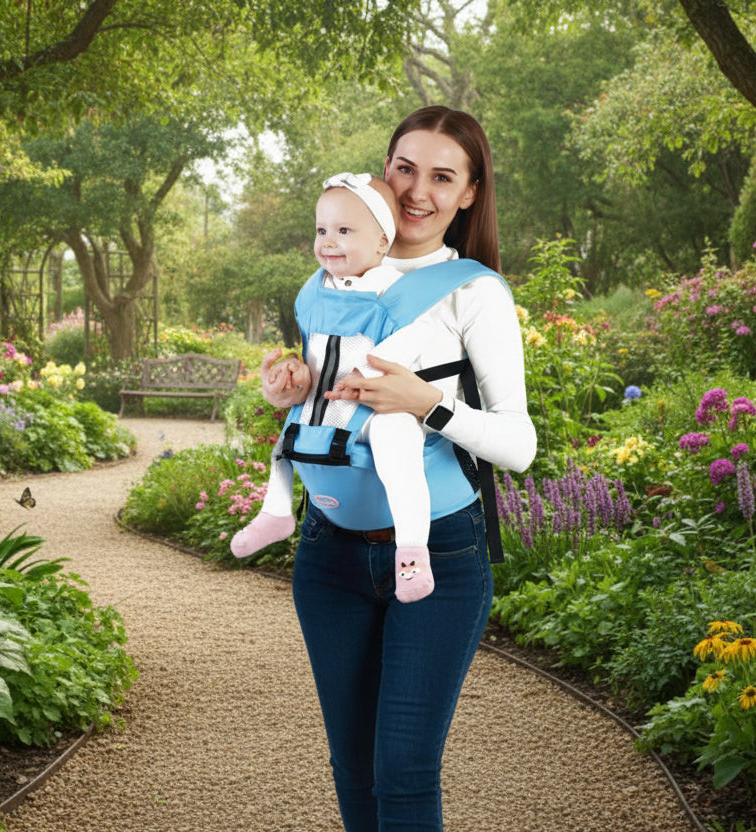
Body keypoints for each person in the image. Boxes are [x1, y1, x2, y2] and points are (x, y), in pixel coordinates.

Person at [258, 106, 537, 832]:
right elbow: (327, 404)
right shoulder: (335, 270)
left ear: (469, 193)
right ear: (382, 172)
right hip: (329, 556)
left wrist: (428, 404)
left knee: (404, 770)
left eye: (443, 177)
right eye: (404, 168)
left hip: (437, 555)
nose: (417, 191)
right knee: (351, 767)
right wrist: (289, 387)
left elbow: (520, 445)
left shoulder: (473, 290)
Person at [231, 171, 439, 603]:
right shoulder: (313, 292)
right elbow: (312, 358)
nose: (328, 241)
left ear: (383, 242)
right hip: (324, 399)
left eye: (344, 231)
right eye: (322, 229)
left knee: (397, 437)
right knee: (287, 439)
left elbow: (418, 344)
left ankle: (412, 550)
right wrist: (294, 375)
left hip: (375, 405)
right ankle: (275, 512)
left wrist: (376, 375)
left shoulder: (397, 293)